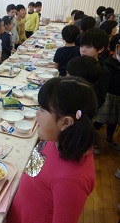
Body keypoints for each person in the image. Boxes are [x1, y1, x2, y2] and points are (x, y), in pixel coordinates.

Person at [8, 76, 98, 223]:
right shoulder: (58, 139)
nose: (37, 113)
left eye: (43, 109)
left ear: (66, 122)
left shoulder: (71, 179)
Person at [93, 34, 120, 150]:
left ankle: (109, 138)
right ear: (117, 47)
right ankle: (92, 140)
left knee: (114, 121)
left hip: (118, 96)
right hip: (108, 96)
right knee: (99, 121)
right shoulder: (108, 63)